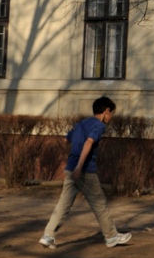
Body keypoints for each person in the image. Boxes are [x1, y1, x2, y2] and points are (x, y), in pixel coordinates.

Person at [40, 96, 132, 249]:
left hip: (71, 168)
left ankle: (48, 235)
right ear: (106, 111)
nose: (111, 118)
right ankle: (111, 237)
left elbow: (67, 138)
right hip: (84, 170)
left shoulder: (82, 123)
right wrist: (80, 166)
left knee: (64, 204)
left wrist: (73, 162)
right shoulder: (98, 125)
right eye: (111, 114)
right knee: (99, 204)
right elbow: (89, 142)